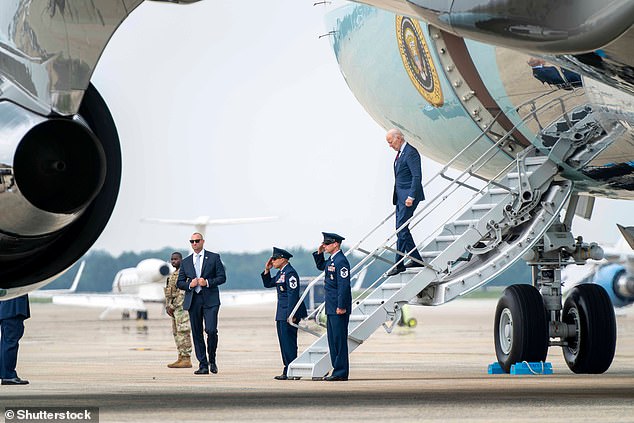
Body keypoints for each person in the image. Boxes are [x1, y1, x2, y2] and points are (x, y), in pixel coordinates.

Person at [177, 233, 226, 375]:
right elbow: (179, 282)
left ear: (203, 241)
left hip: (210, 300)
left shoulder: (214, 257)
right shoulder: (186, 262)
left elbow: (222, 277)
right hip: (194, 300)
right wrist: (189, 284)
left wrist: (208, 282)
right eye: (192, 241)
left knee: (211, 330)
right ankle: (203, 364)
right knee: (197, 333)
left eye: (197, 241)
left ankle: (212, 358)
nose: (194, 243)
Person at [262, 247, 308, 380]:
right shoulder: (281, 272)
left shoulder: (290, 273)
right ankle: (288, 368)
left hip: (289, 313)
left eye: (275, 259)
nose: (273, 261)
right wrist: (267, 270)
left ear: (283, 259)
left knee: (289, 342)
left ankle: (293, 369)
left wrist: (291, 314)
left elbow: (293, 294)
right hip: (281, 313)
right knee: (284, 342)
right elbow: (268, 283)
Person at [386, 128, 425, 276]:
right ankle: (415, 259)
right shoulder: (400, 154)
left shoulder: (410, 152)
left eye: (390, 141)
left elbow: (416, 176)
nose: (390, 145)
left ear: (399, 138)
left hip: (408, 198)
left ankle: (399, 264)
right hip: (400, 198)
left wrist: (411, 196)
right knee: (401, 230)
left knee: (401, 229)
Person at [313, 232, 351, 381]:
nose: (325, 246)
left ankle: (341, 372)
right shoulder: (332, 260)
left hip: (338, 308)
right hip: (331, 306)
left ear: (336, 244)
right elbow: (321, 266)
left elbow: (344, 285)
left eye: (327, 244)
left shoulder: (341, 261)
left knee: (339, 340)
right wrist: (319, 253)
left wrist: (341, 306)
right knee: (332, 340)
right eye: (324, 243)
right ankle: (337, 370)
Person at [164, 251, 193, 368]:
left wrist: (173, 306)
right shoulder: (173, 274)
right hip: (174, 309)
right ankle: (180, 356)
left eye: (176, 259)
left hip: (181, 308)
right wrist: (168, 306)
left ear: (181, 260)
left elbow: (182, 293)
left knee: (183, 332)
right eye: (172, 259)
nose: (173, 261)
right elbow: (170, 293)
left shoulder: (183, 274)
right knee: (176, 333)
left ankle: (186, 358)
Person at [0, 295, 30, 385]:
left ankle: (6, 373)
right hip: (13, 311)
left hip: (7, 311)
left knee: (7, 342)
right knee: (10, 343)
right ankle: (8, 375)